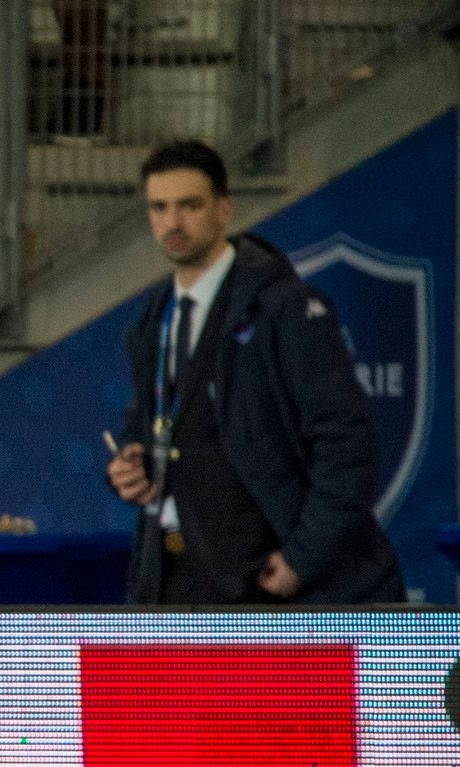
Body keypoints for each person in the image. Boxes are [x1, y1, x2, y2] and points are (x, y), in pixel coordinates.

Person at [106, 140, 404, 605]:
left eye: (190, 205)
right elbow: (151, 422)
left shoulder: (283, 308)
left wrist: (303, 559)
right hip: (171, 577)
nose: (172, 222)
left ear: (225, 209)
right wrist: (130, 463)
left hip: (264, 579)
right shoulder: (155, 318)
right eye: (159, 207)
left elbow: (347, 445)